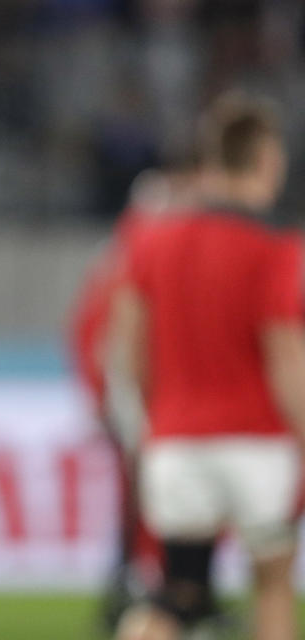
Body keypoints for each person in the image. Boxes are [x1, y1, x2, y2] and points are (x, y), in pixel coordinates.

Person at [110, 93, 305, 640]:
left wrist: (155, 419)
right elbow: (286, 356)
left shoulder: (151, 239)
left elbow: (128, 348)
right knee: (271, 586)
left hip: (175, 443)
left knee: (179, 594)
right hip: (257, 442)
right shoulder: (273, 246)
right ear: (266, 159)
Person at [69, 165, 197, 632]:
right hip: (145, 399)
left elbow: (86, 335)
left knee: (145, 504)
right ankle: (157, 592)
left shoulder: (121, 260)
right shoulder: (140, 261)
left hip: (141, 398)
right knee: (152, 504)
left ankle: (147, 588)